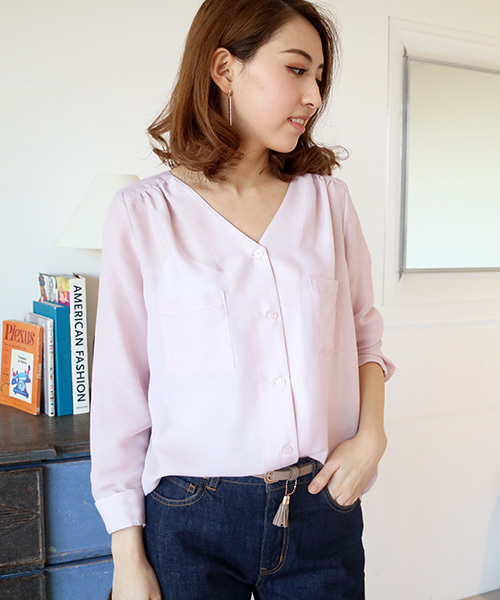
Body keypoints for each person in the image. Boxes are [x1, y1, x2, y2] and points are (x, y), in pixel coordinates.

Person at [90, 0, 396, 598]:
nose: (313, 96)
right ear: (225, 69)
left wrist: (372, 438)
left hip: (320, 507)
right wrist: (127, 556)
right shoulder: (143, 215)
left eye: (319, 77)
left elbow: (366, 338)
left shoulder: (328, 203)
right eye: (296, 69)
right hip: (189, 520)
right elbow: (121, 391)